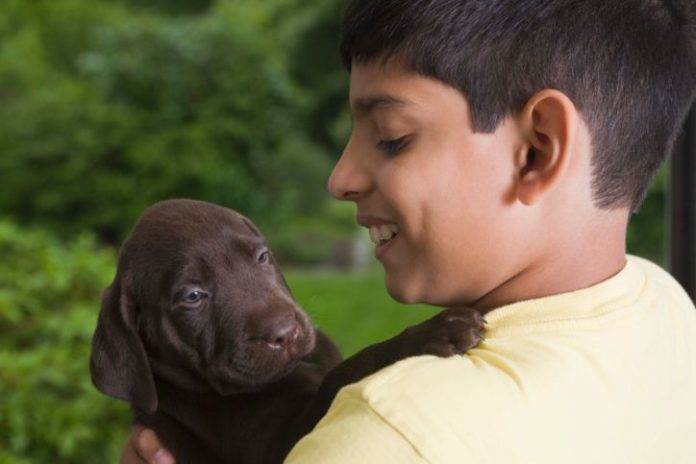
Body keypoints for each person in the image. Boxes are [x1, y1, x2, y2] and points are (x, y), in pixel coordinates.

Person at [123, 0, 696, 462]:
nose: (340, 178)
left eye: (392, 136)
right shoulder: (666, 304)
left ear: (537, 149)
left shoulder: (384, 438)